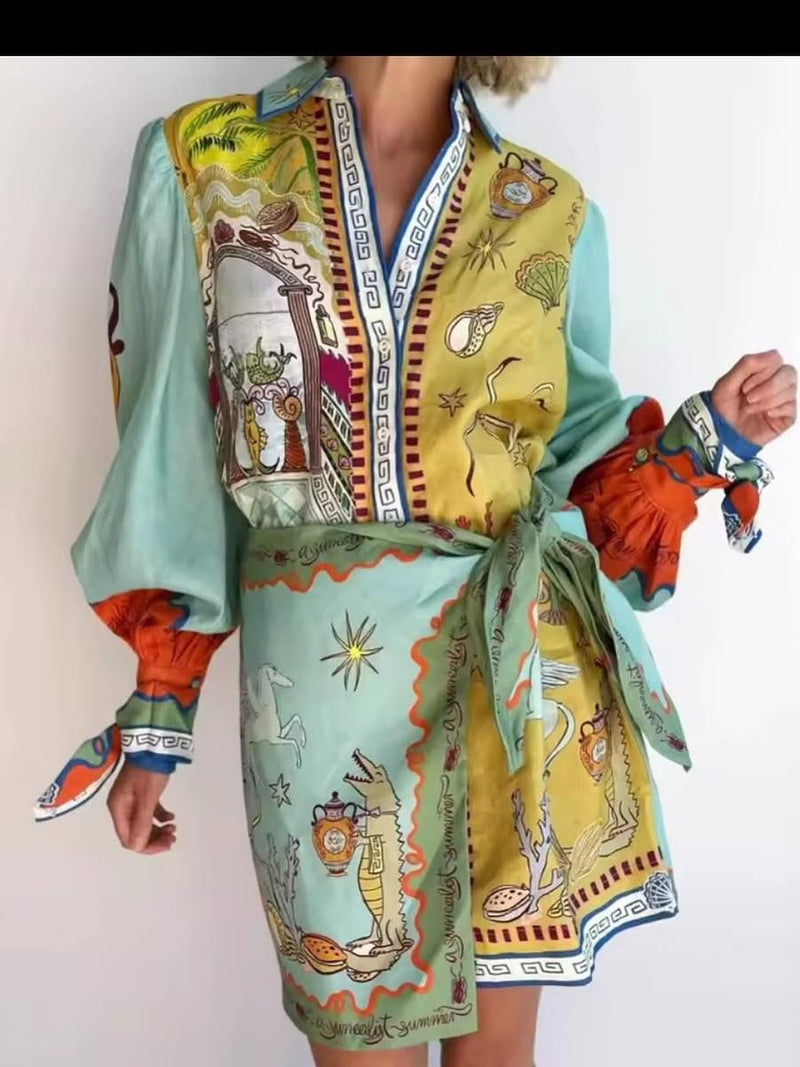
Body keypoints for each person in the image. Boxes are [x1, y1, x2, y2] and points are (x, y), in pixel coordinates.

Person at [35, 56, 796, 1067]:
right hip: (323, 706)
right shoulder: (203, 161)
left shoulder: (551, 211)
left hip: (517, 681)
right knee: (359, 1036)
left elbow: (571, 467)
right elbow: (169, 442)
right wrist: (159, 704)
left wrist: (703, 443)